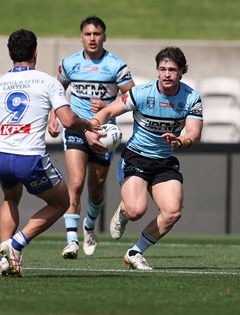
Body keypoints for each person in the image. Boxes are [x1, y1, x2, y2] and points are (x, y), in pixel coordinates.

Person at [0, 29, 97, 277]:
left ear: (10, 53)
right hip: (29, 157)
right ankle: (16, 244)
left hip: (1, 157)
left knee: (10, 199)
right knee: (62, 202)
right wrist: (87, 125)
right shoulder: (47, 81)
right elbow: (67, 119)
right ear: (35, 53)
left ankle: (4, 258)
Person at [85, 46, 203, 269]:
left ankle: (135, 252)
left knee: (173, 212)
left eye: (172, 70)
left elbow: (194, 133)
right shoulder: (141, 93)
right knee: (136, 210)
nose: (167, 74)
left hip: (165, 161)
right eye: (162, 69)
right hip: (136, 158)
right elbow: (107, 112)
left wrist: (180, 141)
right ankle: (123, 211)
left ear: (181, 72)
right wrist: (91, 129)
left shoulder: (191, 98)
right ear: (157, 71)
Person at [50, 15, 135, 259]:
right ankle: (71, 241)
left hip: (104, 132)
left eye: (97, 34)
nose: (92, 38)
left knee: (96, 190)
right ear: (81, 37)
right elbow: (57, 91)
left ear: (104, 36)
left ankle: (89, 226)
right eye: (88, 34)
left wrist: (108, 104)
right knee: (75, 184)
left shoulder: (116, 65)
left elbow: (133, 98)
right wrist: (52, 117)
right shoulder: (69, 63)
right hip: (77, 129)